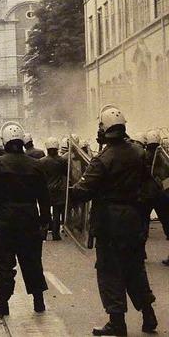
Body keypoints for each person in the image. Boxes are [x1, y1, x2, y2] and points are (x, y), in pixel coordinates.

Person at [70, 106, 158, 336]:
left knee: (110, 270)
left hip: (110, 221)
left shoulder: (103, 159)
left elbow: (85, 189)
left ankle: (117, 323)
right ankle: (149, 315)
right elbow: (150, 186)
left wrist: (73, 189)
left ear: (105, 129)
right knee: (135, 267)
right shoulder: (140, 153)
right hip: (135, 219)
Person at [0, 122, 50, 317]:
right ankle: (38, 301)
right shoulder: (35, 164)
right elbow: (44, 196)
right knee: (33, 261)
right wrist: (45, 220)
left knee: (3, 262)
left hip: (5, 220)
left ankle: (3, 303)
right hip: (29, 218)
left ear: (4, 141)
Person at [139, 130, 169, 243]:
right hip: (161, 195)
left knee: (143, 224)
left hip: (146, 194)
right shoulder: (162, 157)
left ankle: (141, 255)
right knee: (167, 222)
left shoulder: (143, 155)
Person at [39, 138, 67, 241]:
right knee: (56, 213)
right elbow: (65, 174)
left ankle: (43, 234)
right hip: (59, 189)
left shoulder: (42, 161)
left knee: (45, 212)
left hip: (46, 189)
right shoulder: (62, 161)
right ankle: (56, 235)